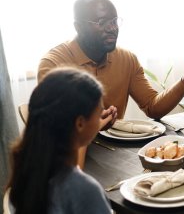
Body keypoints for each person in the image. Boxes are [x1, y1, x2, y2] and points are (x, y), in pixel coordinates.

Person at [38, 0, 184, 122]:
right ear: (79, 27)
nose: (112, 28)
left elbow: (152, 107)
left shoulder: (126, 59)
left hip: (115, 152)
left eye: (114, 21)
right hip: (69, 155)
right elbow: (57, 125)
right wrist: (95, 124)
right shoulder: (53, 64)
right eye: (102, 22)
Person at [5, 67, 112, 214]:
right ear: (80, 123)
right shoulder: (85, 191)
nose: (100, 117)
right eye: (99, 112)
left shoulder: (26, 175)